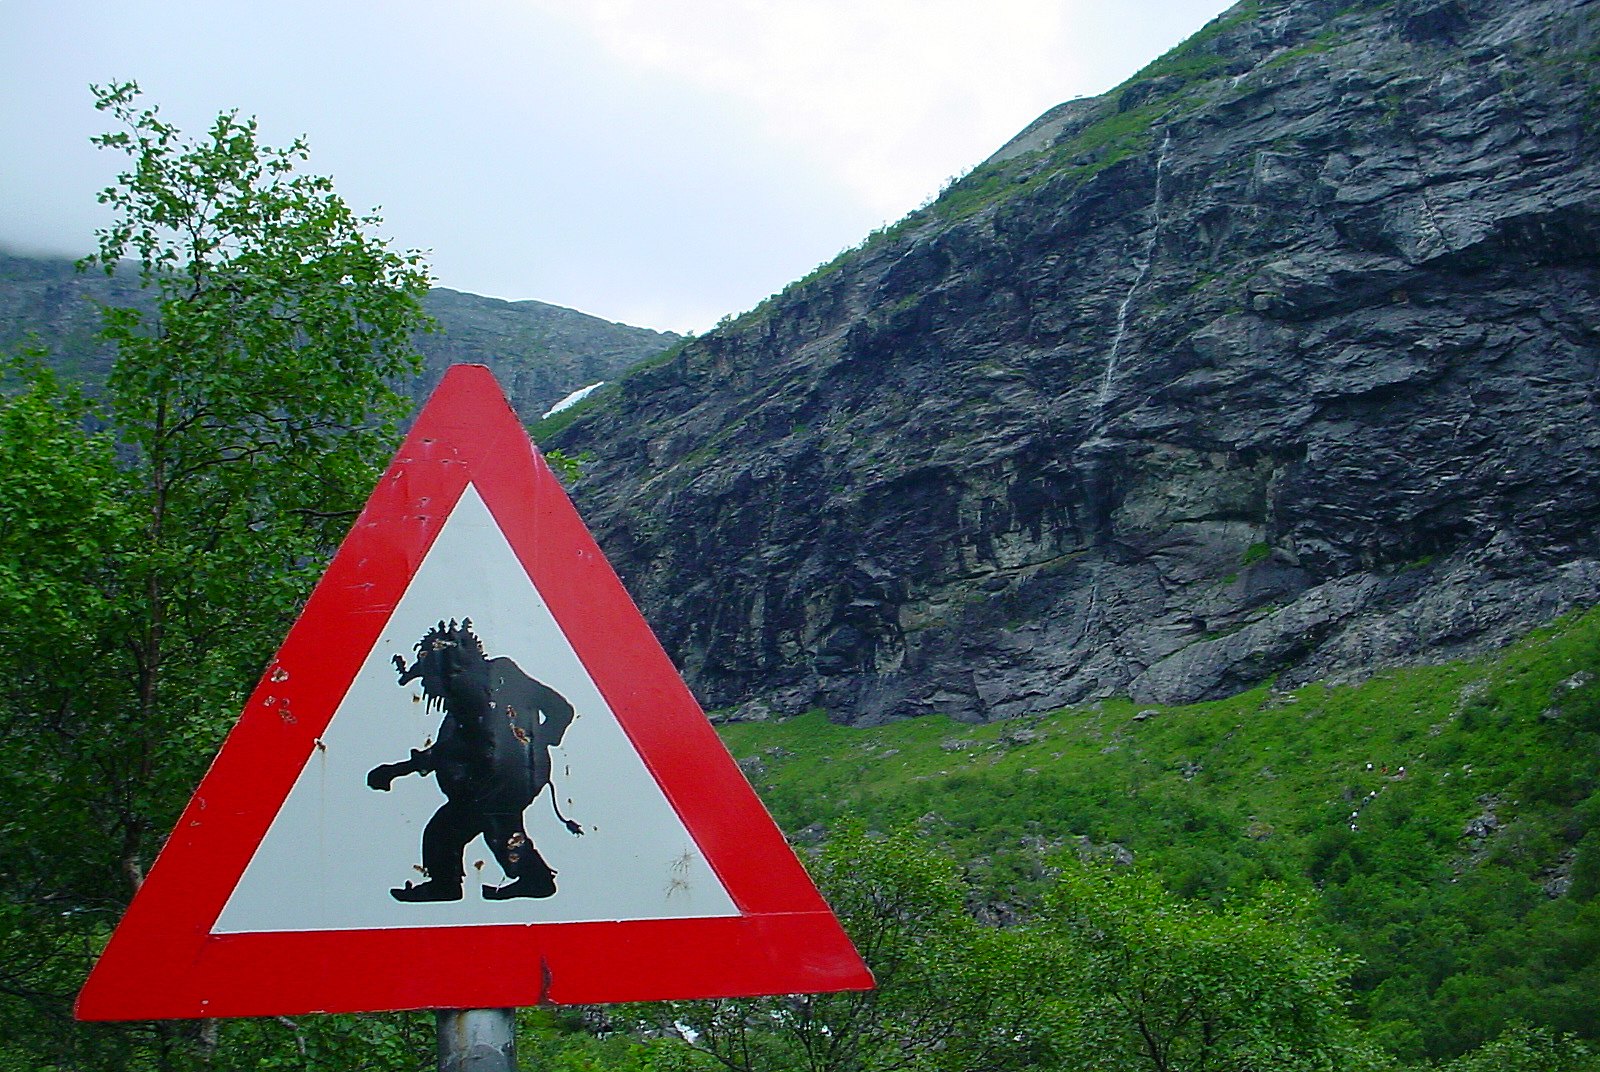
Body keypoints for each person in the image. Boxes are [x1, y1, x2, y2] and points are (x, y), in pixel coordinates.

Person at [367, 618, 578, 902]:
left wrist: (540, 741)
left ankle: (461, 885)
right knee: (467, 830)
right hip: (490, 782)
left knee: (471, 828)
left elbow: (560, 708)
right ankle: (528, 880)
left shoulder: (498, 678)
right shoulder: (466, 701)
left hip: (504, 781)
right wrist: (398, 770)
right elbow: (450, 751)